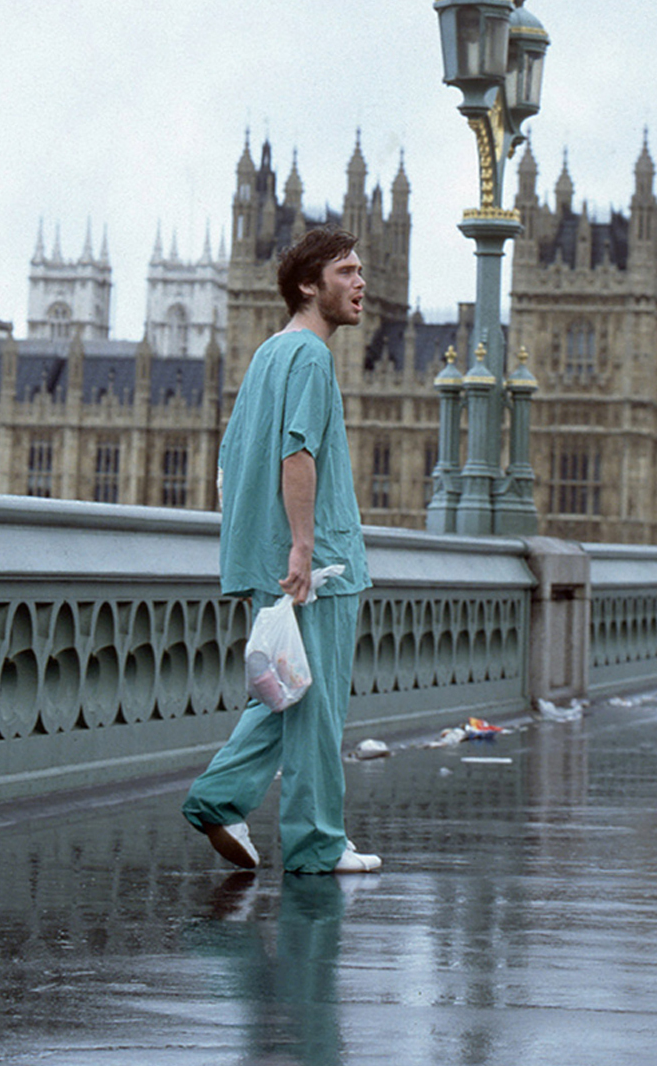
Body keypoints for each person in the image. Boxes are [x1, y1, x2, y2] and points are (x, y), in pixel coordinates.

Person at [182, 226, 380, 874]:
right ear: (307, 285)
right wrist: (302, 545)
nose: (360, 284)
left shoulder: (267, 354)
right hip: (316, 565)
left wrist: (260, 551)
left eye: (360, 272)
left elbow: (232, 458)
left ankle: (218, 798)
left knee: (284, 690)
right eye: (346, 272)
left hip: (271, 559)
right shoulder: (314, 359)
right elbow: (299, 452)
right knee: (316, 705)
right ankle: (317, 844)